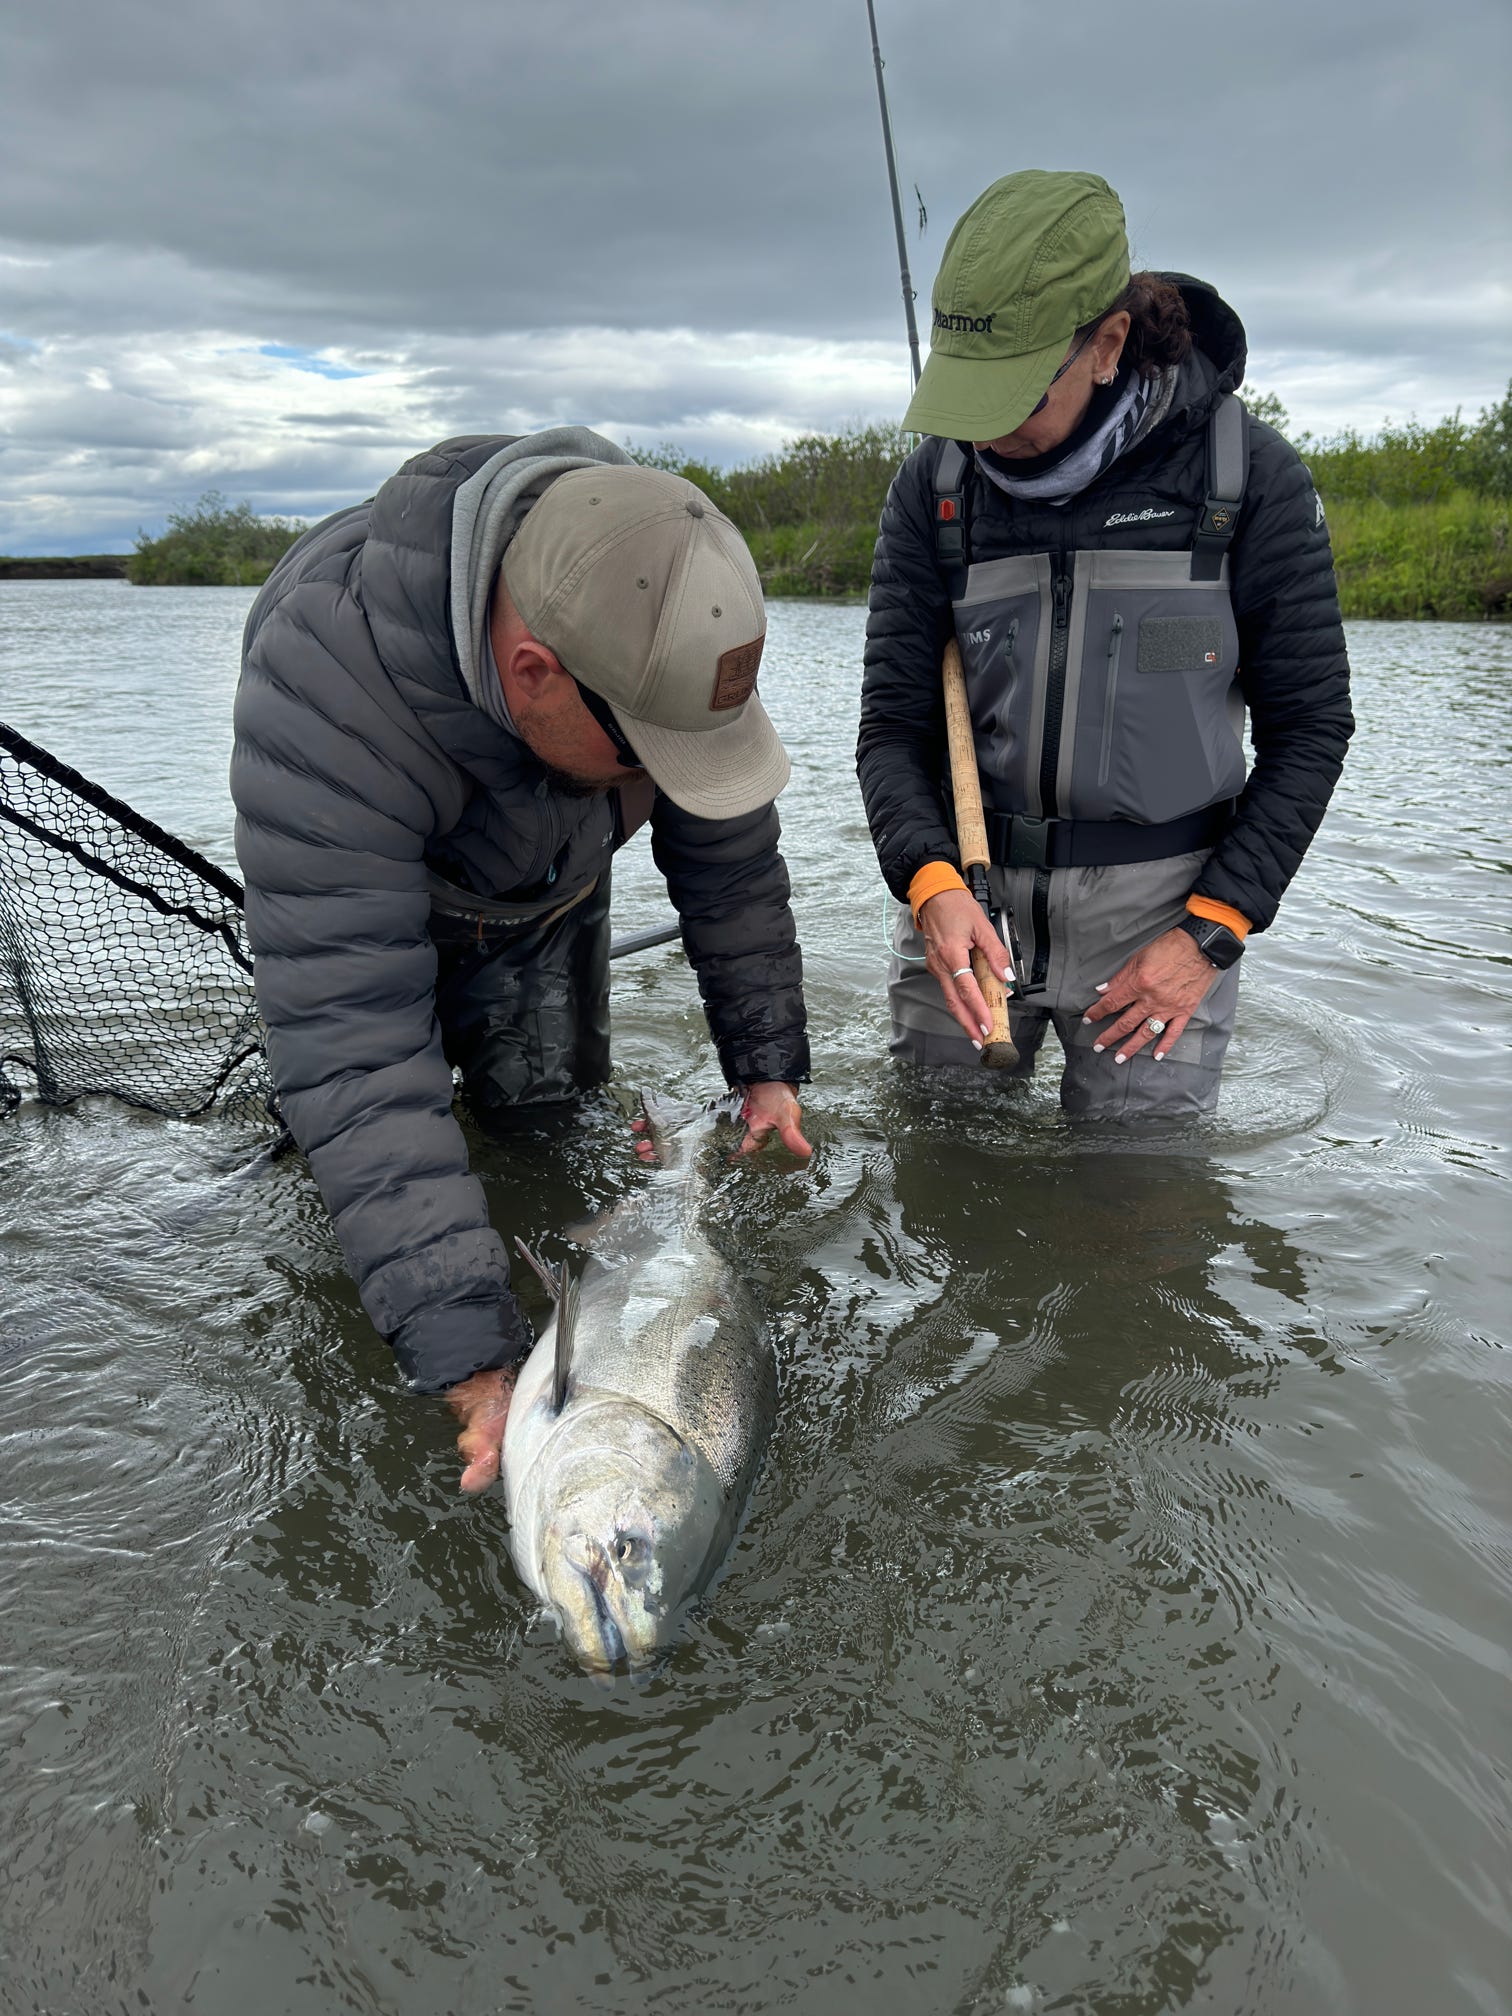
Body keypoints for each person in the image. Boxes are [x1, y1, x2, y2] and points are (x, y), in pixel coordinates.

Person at [231, 429, 811, 1490]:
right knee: (349, 1173)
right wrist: (470, 1358)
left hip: (547, 893)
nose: (672, 774)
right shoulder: (322, 691)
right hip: (373, 905)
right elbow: (355, 1047)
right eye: (650, 751)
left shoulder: (670, 601)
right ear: (532, 674)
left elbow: (730, 865)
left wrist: (765, 1065)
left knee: (543, 1135)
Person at [858, 171, 1353, 1118]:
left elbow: (1313, 729)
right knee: (931, 1180)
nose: (987, 431)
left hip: (1164, 917)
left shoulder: (1250, 481)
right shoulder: (934, 489)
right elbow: (891, 730)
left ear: (1108, 344)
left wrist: (1208, 935)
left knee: (1138, 1219)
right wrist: (928, 883)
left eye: (1014, 396)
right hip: (966, 899)